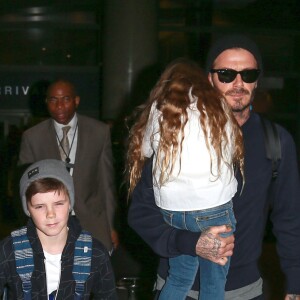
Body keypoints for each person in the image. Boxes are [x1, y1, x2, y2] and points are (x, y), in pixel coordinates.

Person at [127, 34, 300, 300]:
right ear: (208, 79)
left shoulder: (275, 141)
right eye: (227, 74)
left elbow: (290, 219)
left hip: (244, 291)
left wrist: (295, 284)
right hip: (177, 286)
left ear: (257, 81)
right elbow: (140, 213)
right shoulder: (176, 133)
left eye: (248, 74)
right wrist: (191, 243)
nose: (238, 83)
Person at [127, 58, 244, 299]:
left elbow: (147, 151)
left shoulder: (160, 109)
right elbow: (232, 148)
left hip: (171, 211)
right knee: (213, 284)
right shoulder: (216, 105)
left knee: (179, 278)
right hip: (214, 208)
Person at [18, 79, 119, 252]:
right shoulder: (32, 137)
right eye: (53, 100)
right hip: (49, 226)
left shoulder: (99, 131)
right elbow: (25, 190)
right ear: (46, 102)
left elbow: (107, 185)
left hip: (93, 224)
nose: (59, 106)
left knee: (92, 276)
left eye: (65, 99)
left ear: (76, 101)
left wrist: (110, 226)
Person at [0, 159, 118, 299]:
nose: (51, 214)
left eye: (58, 204)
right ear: (28, 210)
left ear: (70, 203)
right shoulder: (8, 251)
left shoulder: (95, 253)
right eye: (39, 206)